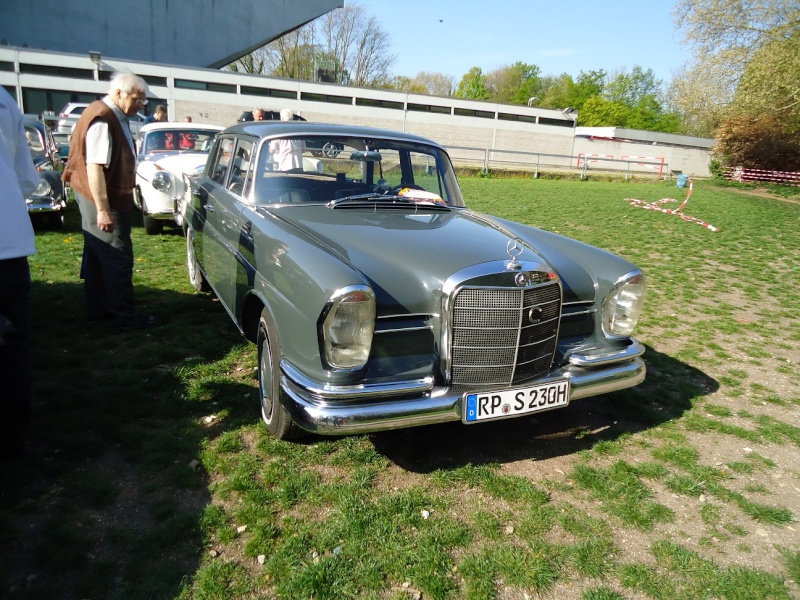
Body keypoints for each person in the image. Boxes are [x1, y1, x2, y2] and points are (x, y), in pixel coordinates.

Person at [62, 72, 159, 332]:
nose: (142, 105)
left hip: (97, 196)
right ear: (119, 94)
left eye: (144, 101)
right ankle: (126, 317)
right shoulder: (103, 119)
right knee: (117, 255)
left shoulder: (111, 115)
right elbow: (95, 168)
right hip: (103, 199)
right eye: (138, 99)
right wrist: (104, 211)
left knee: (97, 256)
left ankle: (99, 309)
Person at [0, 86, 41, 459]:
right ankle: (13, 438)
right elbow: (27, 179)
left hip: (9, 243)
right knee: (13, 345)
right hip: (7, 241)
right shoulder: (4, 100)